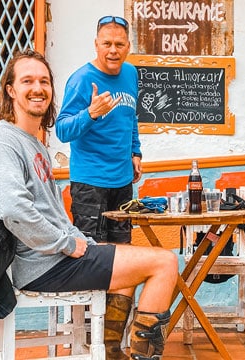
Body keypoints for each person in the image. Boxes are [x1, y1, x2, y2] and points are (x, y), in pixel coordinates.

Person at [0, 49, 177, 360]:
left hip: (57, 256)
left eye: (44, 81)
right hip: (46, 265)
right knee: (164, 263)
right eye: (28, 80)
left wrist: (79, 240)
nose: (38, 88)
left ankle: (111, 351)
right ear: (10, 90)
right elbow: (13, 210)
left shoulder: (34, 143)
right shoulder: (3, 140)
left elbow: (54, 214)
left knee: (130, 272)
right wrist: (66, 243)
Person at [55, 16, 142, 358]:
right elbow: (63, 130)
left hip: (122, 184)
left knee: (123, 260)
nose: (113, 50)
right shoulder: (81, 79)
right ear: (96, 44)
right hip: (89, 184)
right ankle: (88, 340)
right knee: (92, 259)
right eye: (107, 43)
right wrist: (90, 113)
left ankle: (110, 344)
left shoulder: (132, 74)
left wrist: (135, 151)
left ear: (128, 47)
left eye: (119, 44)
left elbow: (131, 116)